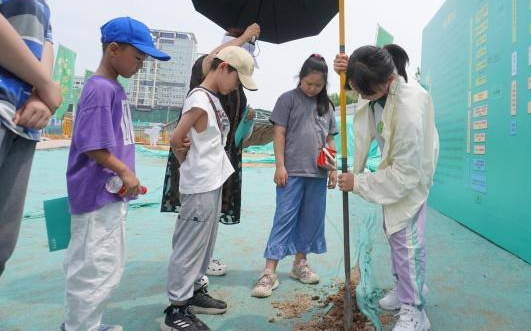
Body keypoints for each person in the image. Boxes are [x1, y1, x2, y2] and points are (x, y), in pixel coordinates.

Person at [0, 0, 87, 277]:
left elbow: (46, 33)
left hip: (21, 117)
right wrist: (44, 83)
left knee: (2, 243)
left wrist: (40, 93)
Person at [62, 17, 170, 331]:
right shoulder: (99, 89)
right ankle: (79, 327)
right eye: (138, 57)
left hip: (108, 193)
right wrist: (125, 171)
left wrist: (126, 179)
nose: (141, 65)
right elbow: (92, 145)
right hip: (95, 196)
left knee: (105, 263)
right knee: (92, 267)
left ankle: (88, 324)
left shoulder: (113, 88)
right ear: (113, 50)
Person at [335, 44, 438, 331]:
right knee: (393, 231)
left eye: (363, 93)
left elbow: (405, 175)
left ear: (387, 82)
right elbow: (360, 89)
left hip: (410, 175)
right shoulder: (377, 78)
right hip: (394, 170)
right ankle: (403, 288)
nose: (360, 97)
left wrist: (360, 182)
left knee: (407, 240)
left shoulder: (409, 107)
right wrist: (344, 74)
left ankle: (416, 309)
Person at [162, 46, 258, 331]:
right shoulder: (199, 99)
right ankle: (176, 309)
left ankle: (193, 291)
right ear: (223, 68)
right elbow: (176, 137)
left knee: (204, 243)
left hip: (212, 180)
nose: (236, 88)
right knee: (190, 245)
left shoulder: (212, 99)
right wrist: (188, 164)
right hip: (201, 182)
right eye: (236, 80)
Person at [252, 54, 338, 298]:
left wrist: (332, 168)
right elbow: (279, 133)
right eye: (308, 83)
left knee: (312, 220)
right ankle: (269, 272)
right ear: (300, 78)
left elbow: (330, 139)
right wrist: (280, 165)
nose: (312, 89)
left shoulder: (327, 106)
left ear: (324, 85)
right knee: (284, 218)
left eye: (318, 85)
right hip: (291, 172)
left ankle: (300, 264)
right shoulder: (287, 99)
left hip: (318, 174)